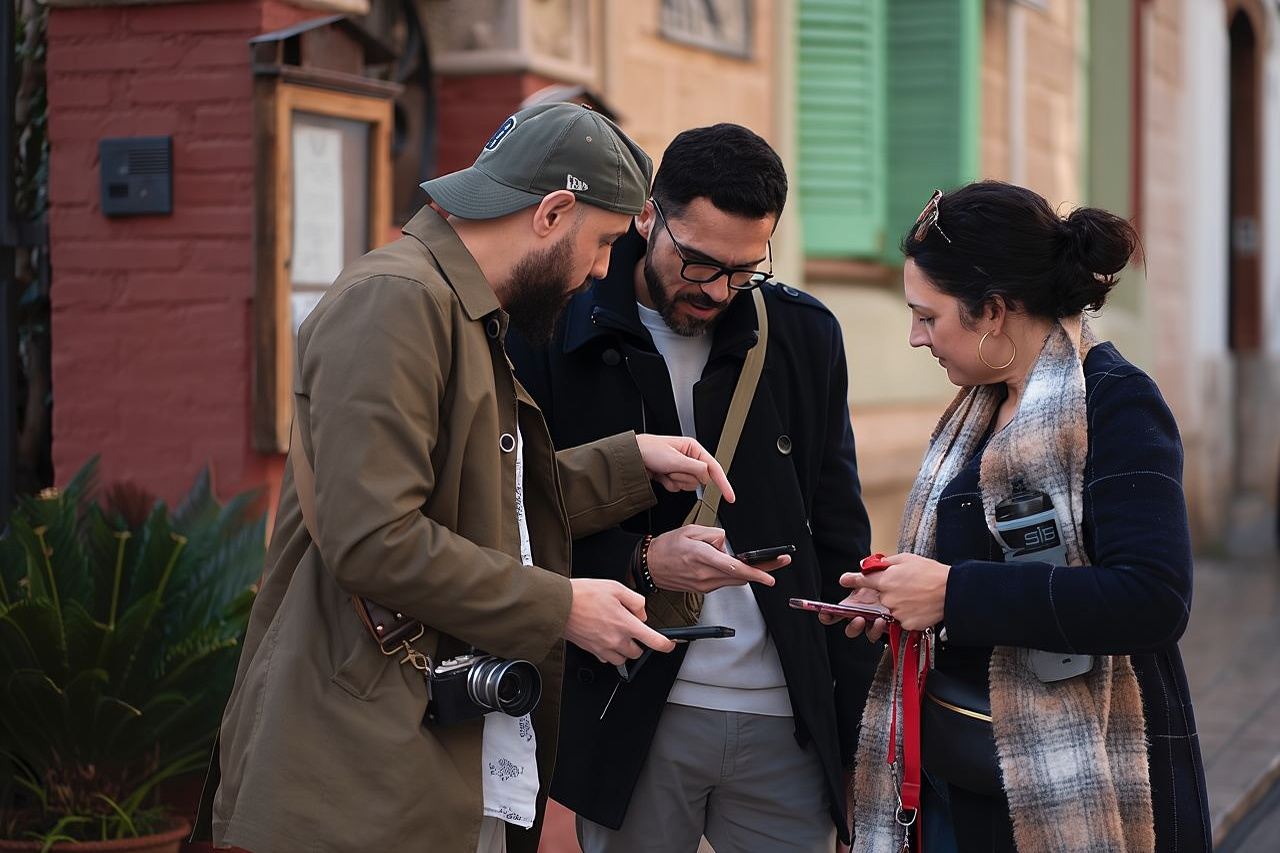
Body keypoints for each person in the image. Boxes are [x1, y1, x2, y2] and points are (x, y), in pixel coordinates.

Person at [202, 103, 741, 853]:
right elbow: (374, 539)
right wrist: (562, 606)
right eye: (606, 242)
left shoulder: (459, 310)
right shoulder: (396, 302)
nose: (599, 272)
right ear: (553, 212)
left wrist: (629, 459)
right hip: (359, 774)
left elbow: (489, 497)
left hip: (418, 756)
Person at [508, 123, 881, 853]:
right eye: (700, 261)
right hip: (626, 706)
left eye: (745, 271)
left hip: (785, 717)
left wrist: (851, 732)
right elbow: (515, 510)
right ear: (649, 214)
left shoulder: (803, 334)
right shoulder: (553, 327)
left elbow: (838, 529)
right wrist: (641, 560)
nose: (717, 290)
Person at [835, 181, 1211, 852]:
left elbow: (1154, 597)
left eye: (928, 316)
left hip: (1083, 772)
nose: (915, 337)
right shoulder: (979, 409)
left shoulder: (1116, 402)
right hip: (965, 768)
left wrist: (951, 592)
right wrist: (899, 596)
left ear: (995, 311)